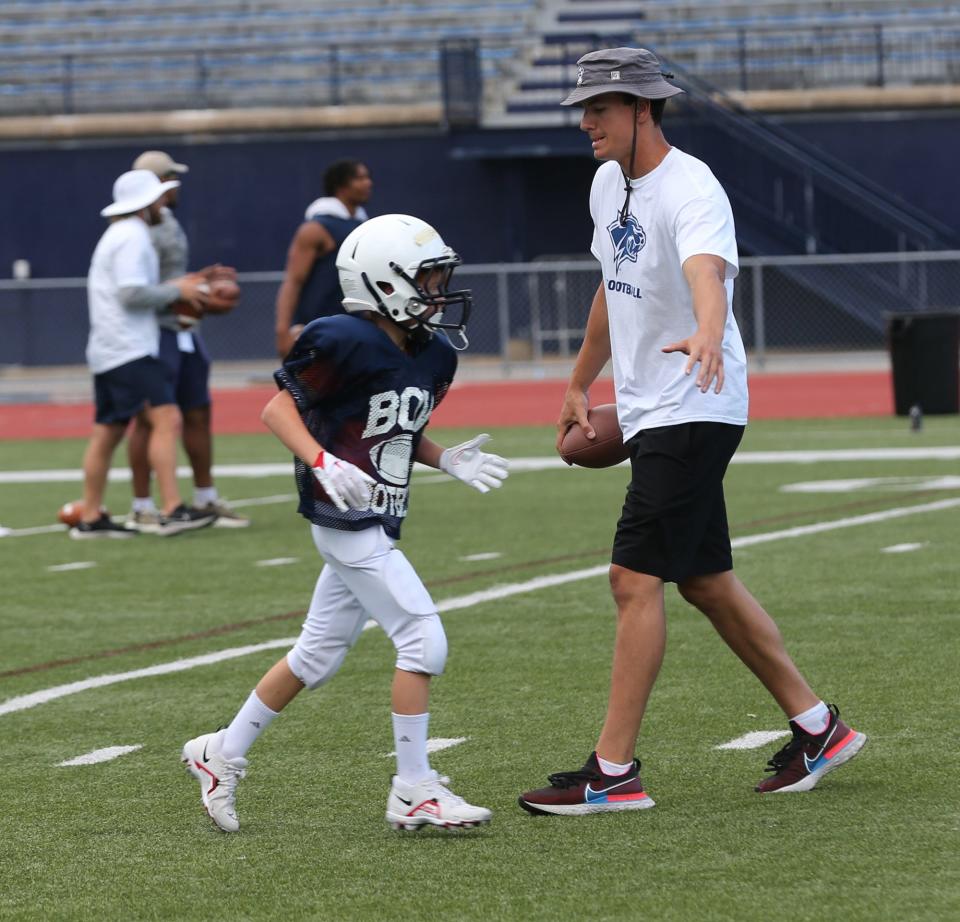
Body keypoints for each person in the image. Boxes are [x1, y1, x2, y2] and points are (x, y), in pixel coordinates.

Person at [518, 48, 866, 814]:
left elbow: (707, 272)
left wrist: (709, 332)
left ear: (642, 111)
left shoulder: (694, 185)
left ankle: (613, 775)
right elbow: (613, 288)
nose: (585, 122)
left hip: (694, 404)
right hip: (651, 408)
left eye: (600, 109)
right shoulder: (607, 183)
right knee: (705, 580)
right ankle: (820, 729)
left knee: (632, 579)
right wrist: (580, 381)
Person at [181, 214, 509, 832]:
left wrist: (445, 458)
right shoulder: (340, 338)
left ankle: (221, 753)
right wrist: (322, 460)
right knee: (422, 640)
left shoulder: (432, 353)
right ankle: (414, 789)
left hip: (378, 516)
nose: (440, 292)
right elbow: (277, 411)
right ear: (384, 283)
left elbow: (392, 427)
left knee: (317, 655)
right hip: (344, 518)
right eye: (429, 279)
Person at [72, 169, 218, 539]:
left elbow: (133, 290)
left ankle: (90, 516)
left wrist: (176, 286)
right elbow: (132, 294)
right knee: (167, 418)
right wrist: (178, 293)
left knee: (107, 431)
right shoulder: (133, 236)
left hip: (110, 347)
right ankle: (171, 509)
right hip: (129, 347)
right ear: (145, 203)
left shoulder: (119, 235)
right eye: (157, 197)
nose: (163, 203)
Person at [122, 150, 249, 531]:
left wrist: (197, 280)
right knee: (150, 419)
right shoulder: (136, 229)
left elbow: (171, 277)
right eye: (170, 179)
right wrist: (185, 291)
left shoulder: (164, 218)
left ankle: (205, 497)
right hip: (155, 329)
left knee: (198, 411)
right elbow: (137, 288)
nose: (177, 185)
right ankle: (143, 504)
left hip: (184, 331)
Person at [273, 159, 373, 358]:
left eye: (367, 177)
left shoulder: (365, 227)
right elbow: (293, 281)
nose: (368, 183)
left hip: (358, 329)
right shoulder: (316, 228)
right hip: (319, 334)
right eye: (360, 178)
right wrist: (282, 331)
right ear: (341, 186)